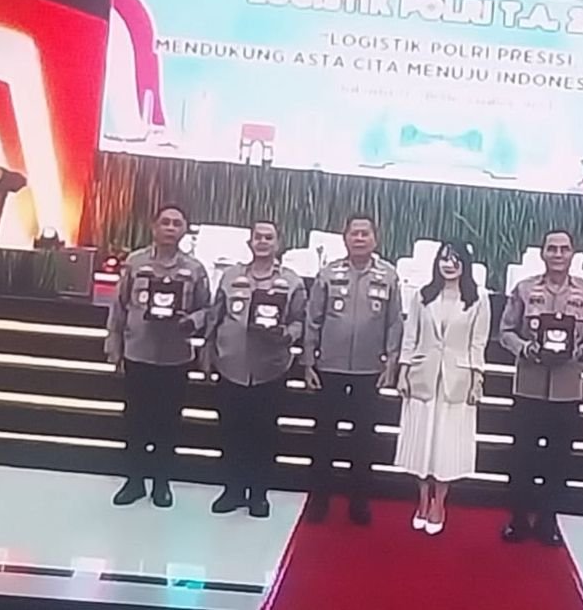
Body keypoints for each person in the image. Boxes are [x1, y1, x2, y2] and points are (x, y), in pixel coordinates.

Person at [499, 229, 583, 545]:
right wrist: (525, 348)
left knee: (558, 461)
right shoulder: (524, 289)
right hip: (529, 387)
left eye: (564, 249)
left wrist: (581, 353)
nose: (558, 254)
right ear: (542, 253)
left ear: (573, 254)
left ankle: (548, 521)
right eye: (552, 248)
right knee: (523, 458)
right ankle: (518, 519)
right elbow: (505, 331)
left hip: (567, 390)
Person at [106, 203, 210, 508]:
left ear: (184, 230)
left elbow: (207, 309)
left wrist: (192, 322)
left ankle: (162, 483)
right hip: (138, 353)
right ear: (154, 227)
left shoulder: (195, 269)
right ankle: (134, 482)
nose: (170, 228)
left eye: (177, 223)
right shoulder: (135, 262)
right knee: (135, 422)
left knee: (168, 424)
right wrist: (114, 347)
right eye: (165, 222)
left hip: (175, 358)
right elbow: (119, 306)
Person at [303, 214, 403, 525]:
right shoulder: (328, 273)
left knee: (363, 439)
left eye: (365, 233)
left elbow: (394, 322)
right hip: (329, 367)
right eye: (354, 233)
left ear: (375, 238)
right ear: (344, 238)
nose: (359, 238)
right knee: (324, 437)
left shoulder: (388, 276)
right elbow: (312, 319)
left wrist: (392, 361)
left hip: (368, 370)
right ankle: (319, 499)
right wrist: (308, 361)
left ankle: (359, 501)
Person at [204, 220, 307, 518]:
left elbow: (300, 320)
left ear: (278, 243)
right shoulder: (230, 276)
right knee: (230, 433)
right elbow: (215, 315)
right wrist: (207, 350)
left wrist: (287, 335)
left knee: (264, 436)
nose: (262, 242)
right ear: (249, 243)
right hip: (231, 367)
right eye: (258, 237)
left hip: (269, 370)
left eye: (268, 237)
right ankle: (233, 490)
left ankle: (259, 494)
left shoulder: (292, 281)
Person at [394, 242, 490, 535]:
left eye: (455, 259)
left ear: (465, 264)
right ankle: (422, 499)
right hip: (423, 377)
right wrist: (403, 371)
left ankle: (440, 502)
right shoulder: (423, 295)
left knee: (446, 445)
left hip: (456, 380)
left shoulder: (478, 298)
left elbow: (478, 342)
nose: (449, 265)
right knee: (420, 442)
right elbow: (410, 336)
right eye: (444, 259)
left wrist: (477, 379)